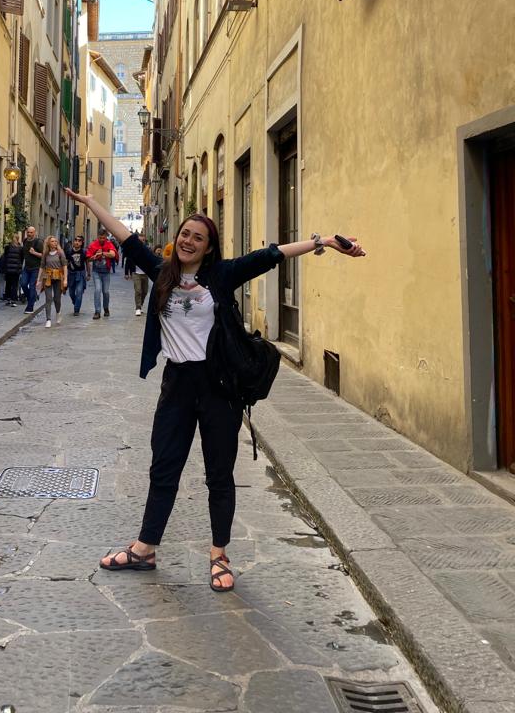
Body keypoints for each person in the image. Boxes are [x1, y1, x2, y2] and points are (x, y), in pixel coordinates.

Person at [65, 186, 365, 593]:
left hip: (218, 387)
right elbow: (125, 236)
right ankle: (145, 548)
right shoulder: (162, 271)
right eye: (185, 234)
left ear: (208, 248)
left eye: (198, 237)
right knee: (163, 468)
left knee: (219, 474)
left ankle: (219, 554)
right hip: (176, 385)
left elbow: (270, 255)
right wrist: (90, 204)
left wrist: (323, 241)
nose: (188, 241)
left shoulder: (221, 276)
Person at [85, 227, 118, 319]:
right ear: (98, 236)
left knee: (106, 292)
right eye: (100, 238)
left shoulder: (109, 244)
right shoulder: (93, 245)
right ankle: (97, 311)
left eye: (104, 238)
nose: (102, 239)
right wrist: (95, 256)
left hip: (106, 272)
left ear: (106, 237)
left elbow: (113, 254)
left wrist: (102, 253)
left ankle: (106, 308)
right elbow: (88, 259)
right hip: (96, 272)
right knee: (97, 290)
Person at [36, 235, 68, 328]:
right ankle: (48, 319)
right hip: (48, 277)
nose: (55, 243)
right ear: (48, 243)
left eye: (55, 241)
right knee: (48, 298)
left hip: (58, 277)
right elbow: (42, 266)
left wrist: (65, 279)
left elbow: (65, 266)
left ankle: (58, 312)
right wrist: (38, 280)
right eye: (52, 241)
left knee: (57, 299)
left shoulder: (60, 253)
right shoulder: (45, 254)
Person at [21, 226, 43, 313]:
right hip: (26, 267)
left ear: (34, 233)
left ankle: (30, 307)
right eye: (28, 232)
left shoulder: (39, 242)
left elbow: (43, 255)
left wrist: (34, 253)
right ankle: (32, 298)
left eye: (31, 232)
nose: (29, 234)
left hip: (36, 268)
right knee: (23, 284)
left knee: (32, 286)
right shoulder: (25, 241)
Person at [127, 232, 150, 316]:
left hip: (145, 274)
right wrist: (126, 273)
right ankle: (138, 308)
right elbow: (128, 261)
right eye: (140, 240)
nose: (141, 242)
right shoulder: (133, 250)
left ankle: (141, 305)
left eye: (143, 240)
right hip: (136, 273)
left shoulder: (147, 250)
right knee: (138, 290)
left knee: (145, 291)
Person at [0, 233, 24, 306]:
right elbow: (21, 259)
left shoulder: (8, 247)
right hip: (15, 270)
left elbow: (5, 257)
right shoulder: (20, 248)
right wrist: (19, 266)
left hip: (9, 269)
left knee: (9, 284)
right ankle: (13, 300)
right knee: (14, 285)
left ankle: (9, 299)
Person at [67, 235, 90, 315]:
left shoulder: (84, 252)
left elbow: (87, 263)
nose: (77, 242)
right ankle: (76, 302)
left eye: (79, 241)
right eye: (76, 240)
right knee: (71, 293)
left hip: (80, 274)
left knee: (79, 292)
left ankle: (76, 309)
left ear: (82, 243)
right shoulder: (69, 251)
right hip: (71, 274)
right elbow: (65, 263)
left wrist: (88, 274)